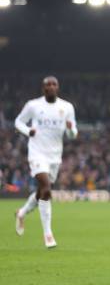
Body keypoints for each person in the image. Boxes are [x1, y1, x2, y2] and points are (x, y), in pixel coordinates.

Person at [14, 76, 78, 248]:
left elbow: (73, 134)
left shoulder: (67, 107)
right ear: (43, 89)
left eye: (54, 84)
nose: (51, 87)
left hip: (55, 156)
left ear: (58, 87)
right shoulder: (33, 105)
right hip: (37, 153)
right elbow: (18, 121)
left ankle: (21, 212)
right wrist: (28, 131)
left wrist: (71, 130)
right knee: (47, 190)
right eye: (47, 84)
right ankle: (48, 235)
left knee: (42, 191)